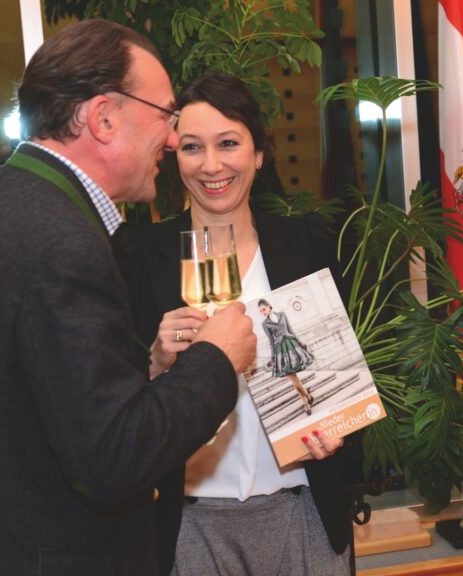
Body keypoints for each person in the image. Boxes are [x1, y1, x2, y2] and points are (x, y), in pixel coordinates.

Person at [0, 19, 256, 575]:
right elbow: (112, 458)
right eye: (166, 116)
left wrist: (149, 375)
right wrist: (217, 361)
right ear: (103, 117)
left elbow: (22, 402)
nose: (173, 139)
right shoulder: (63, 242)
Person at [116, 71, 351, 576]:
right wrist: (155, 364)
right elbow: (108, 406)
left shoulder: (308, 244)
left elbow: (339, 374)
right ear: (174, 156)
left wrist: (340, 428)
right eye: (193, 148)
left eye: (229, 143)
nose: (212, 165)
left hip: (303, 511)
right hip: (188, 525)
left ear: (259, 153)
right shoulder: (138, 256)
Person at [259, 298, 315, 415]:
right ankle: (306, 397)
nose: (263, 312)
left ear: (269, 306)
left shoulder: (282, 314)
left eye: (264, 309)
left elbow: (291, 330)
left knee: (293, 377)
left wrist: (300, 342)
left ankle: (305, 399)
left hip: (291, 344)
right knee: (291, 376)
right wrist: (273, 358)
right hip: (280, 350)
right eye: (261, 311)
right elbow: (271, 341)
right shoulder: (265, 324)